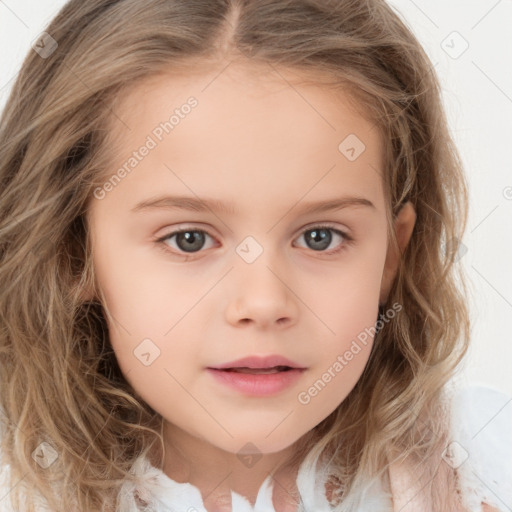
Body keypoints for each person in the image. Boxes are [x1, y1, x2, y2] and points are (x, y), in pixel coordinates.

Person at [0, 0, 510, 511]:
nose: (263, 303)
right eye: (189, 239)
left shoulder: (485, 465)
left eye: (320, 237)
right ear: (72, 255)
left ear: (391, 256)